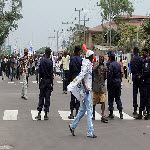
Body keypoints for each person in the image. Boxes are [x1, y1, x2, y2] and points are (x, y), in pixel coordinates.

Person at [69, 50, 97, 138]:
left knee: (82, 111)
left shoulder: (86, 63)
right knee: (89, 111)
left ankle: (72, 126)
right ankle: (90, 132)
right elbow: (82, 76)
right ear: (90, 56)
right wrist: (85, 87)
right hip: (87, 90)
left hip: (87, 89)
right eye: (92, 56)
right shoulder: (87, 64)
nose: (93, 57)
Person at [35, 48, 53, 120]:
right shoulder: (50, 62)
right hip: (48, 81)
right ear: (49, 53)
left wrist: (39, 81)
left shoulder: (41, 61)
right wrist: (52, 83)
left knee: (41, 97)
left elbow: (39, 72)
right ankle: (45, 114)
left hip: (42, 80)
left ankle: (39, 113)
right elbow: (51, 74)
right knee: (47, 97)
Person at [107, 53, 123, 119]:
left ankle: (111, 113)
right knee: (118, 98)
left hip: (113, 83)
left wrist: (108, 85)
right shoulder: (118, 65)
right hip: (118, 82)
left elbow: (110, 76)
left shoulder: (111, 65)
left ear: (110, 58)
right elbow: (120, 74)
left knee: (111, 98)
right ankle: (120, 112)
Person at [92, 55, 108, 123]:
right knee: (94, 102)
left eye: (102, 59)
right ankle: (93, 114)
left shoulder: (104, 65)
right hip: (96, 86)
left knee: (103, 101)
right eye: (100, 58)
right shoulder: (96, 64)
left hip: (102, 86)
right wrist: (99, 64)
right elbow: (94, 69)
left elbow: (106, 72)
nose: (101, 60)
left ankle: (103, 115)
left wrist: (105, 71)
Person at [68, 46, 82, 119]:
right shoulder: (80, 59)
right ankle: (77, 112)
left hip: (73, 78)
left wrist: (69, 80)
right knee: (78, 96)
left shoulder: (72, 59)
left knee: (72, 96)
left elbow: (70, 70)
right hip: (79, 79)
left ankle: (71, 113)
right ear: (79, 51)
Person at [135, 48, 150, 120]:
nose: (142, 54)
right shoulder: (144, 60)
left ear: (146, 53)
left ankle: (145, 113)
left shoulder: (147, 61)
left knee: (145, 98)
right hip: (145, 82)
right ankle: (144, 113)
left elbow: (147, 72)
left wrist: (141, 76)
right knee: (145, 98)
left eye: (143, 53)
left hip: (146, 82)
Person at [130, 47, 143, 115]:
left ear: (134, 51)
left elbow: (131, 69)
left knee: (135, 93)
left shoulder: (132, 60)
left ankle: (135, 108)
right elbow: (143, 68)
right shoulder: (141, 59)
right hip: (140, 77)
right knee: (141, 93)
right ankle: (141, 108)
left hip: (135, 76)